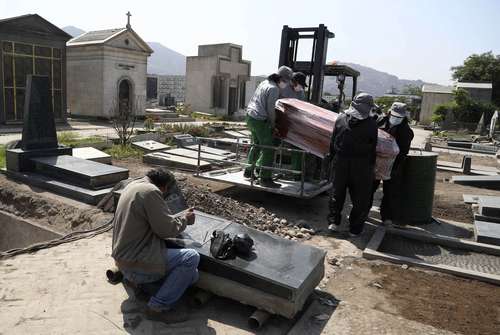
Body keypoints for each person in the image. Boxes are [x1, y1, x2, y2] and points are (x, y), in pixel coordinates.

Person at [112, 168, 198, 324]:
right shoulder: (152, 191)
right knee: (191, 258)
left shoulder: (134, 185)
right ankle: (157, 308)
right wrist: (185, 220)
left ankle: (141, 286)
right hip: (135, 262)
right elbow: (165, 230)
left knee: (193, 276)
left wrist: (175, 217)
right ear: (164, 187)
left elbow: (151, 219)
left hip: (123, 261)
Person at [328, 93, 378, 237]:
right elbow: (372, 148)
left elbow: (332, 143)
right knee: (352, 196)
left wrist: (332, 161)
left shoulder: (342, 119)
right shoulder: (370, 124)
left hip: (347, 163)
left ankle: (342, 224)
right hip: (356, 165)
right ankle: (348, 227)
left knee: (345, 195)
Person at [244, 66, 292, 188]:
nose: (286, 84)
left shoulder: (264, 83)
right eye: (286, 81)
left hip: (250, 116)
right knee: (269, 148)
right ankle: (265, 178)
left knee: (256, 145)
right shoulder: (274, 88)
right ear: (281, 78)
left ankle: (249, 171)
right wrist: (273, 124)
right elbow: (270, 110)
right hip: (260, 119)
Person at [370, 102, 414, 225]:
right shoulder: (379, 123)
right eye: (394, 116)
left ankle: (387, 216)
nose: (396, 119)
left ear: (404, 117)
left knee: (390, 192)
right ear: (389, 113)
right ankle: (363, 211)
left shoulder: (406, 132)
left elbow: (403, 152)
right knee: (369, 188)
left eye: (400, 117)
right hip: (376, 163)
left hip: (393, 166)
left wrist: (393, 166)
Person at [278, 71, 308, 179]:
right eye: (299, 84)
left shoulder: (300, 93)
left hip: (293, 122)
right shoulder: (283, 88)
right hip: (279, 120)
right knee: (271, 145)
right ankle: (265, 170)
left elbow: (302, 107)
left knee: (297, 146)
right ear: (293, 81)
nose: (300, 87)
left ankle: (296, 174)